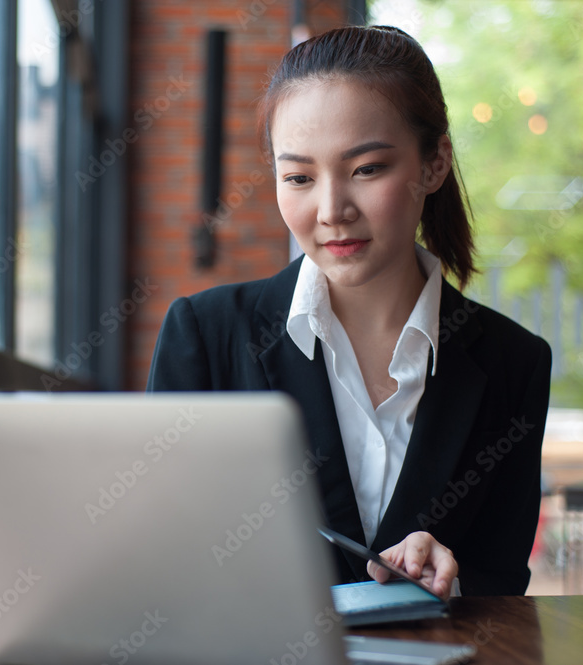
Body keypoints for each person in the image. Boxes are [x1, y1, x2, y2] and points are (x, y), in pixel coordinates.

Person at [146, 25, 551, 599]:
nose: (332, 210)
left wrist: (449, 580)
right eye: (299, 178)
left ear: (434, 164)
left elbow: (502, 578)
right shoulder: (206, 336)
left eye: (366, 169)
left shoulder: (514, 362)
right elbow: (164, 559)